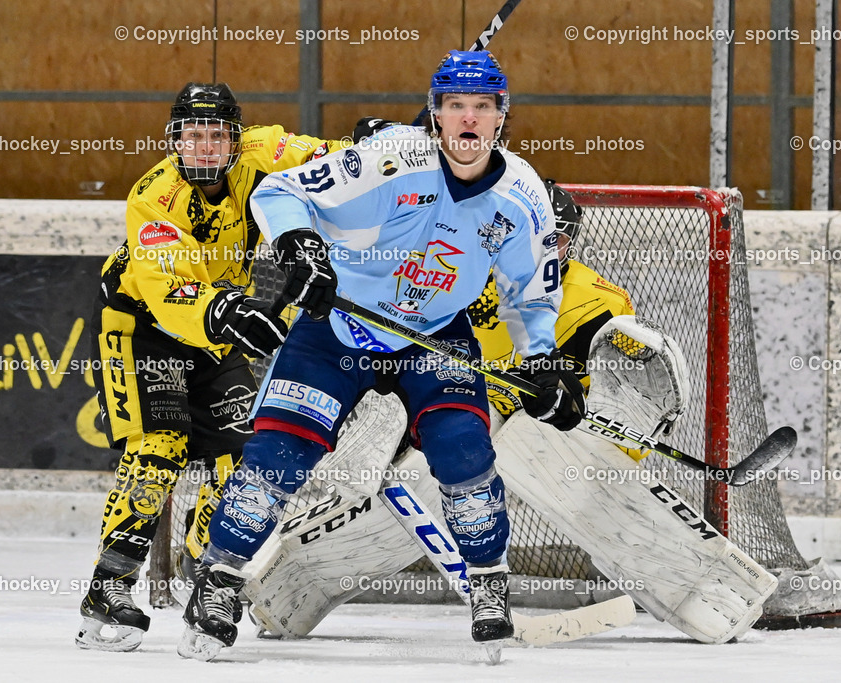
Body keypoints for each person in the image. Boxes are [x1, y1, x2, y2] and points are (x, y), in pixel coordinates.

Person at [177, 50, 587, 661]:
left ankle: (488, 582)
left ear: (502, 116)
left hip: (433, 336)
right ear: (435, 113)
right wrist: (302, 247)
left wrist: (544, 364)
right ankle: (219, 579)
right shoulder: (390, 158)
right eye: (455, 106)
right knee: (277, 456)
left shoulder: (523, 196)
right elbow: (279, 192)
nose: (468, 120)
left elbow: (531, 294)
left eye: (482, 107)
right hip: (337, 327)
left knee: (463, 450)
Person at [75, 82, 344, 652]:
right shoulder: (154, 196)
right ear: (174, 141)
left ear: (235, 140)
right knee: (159, 447)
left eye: (216, 135)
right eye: (192, 135)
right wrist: (227, 312)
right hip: (143, 325)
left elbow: (335, 163)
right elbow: (167, 285)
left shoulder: (263, 152)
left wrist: (383, 148)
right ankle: (110, 583)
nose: (204, 147)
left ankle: (208, 571)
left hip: (217, 321)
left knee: (246, 451)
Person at [468, 179, 636, 423]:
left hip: (547, 436)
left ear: (571, 241)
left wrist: (577, 408)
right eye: (525, 232)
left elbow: (626, 398)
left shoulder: (603, 304)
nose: (538, 248)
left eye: (554, 238)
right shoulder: (464, 280)